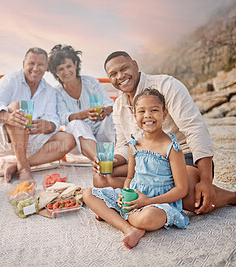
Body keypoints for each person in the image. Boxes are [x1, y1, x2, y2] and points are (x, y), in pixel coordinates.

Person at [92, 51, 236, 214]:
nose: (120, 76)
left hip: (181, 158)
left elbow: (195, 129)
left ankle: (231, 196)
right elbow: (124, 145)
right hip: (145, 164)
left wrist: (206, 180)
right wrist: (111, 160)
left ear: (135, 65)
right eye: (113, 74)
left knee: (188, 198)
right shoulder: (118, 106)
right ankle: (145, 199)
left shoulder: (167, 85)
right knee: (101, 178)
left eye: (124, 69)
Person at [84, 88, 189, 249]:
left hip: (159, 203)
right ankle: (129, 229)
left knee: (147, 218)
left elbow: (181, 189)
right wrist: (124, 194)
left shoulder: (171, 147)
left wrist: (148, 201)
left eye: (154, 110)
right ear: (135, 116)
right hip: (134, 199)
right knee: (88, 194)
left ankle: (121, 218)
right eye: (142, 111)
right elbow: (130, 178)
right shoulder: (134, 145)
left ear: (164, 113)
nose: (147, 115)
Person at [0, 47, 75, 182]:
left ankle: (20, 165)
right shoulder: (10, 80)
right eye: (31, 63)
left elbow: (53, 118)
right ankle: (23, 168)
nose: (35, 68)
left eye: (40, 64)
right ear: (24, 64)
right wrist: (9, 118)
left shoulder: (50, 91)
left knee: (68, 140)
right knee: (17, 107)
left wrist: (48, 125)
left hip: (33, 138)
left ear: (46, 67)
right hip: (6, 138)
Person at [48, 44, 115, 160]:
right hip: (77, 140)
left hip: (101, 134)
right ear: (55, 73)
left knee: (113, 116)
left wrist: (105, 111)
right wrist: (84, 114)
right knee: (75, 123)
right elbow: (62, 118)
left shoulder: (91, 82)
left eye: (69, 66)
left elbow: (110, 105)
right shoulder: (56, 92)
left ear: (75, 64)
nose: (66, 71)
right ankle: (100, 161)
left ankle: (124, 153)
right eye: (61, 69)